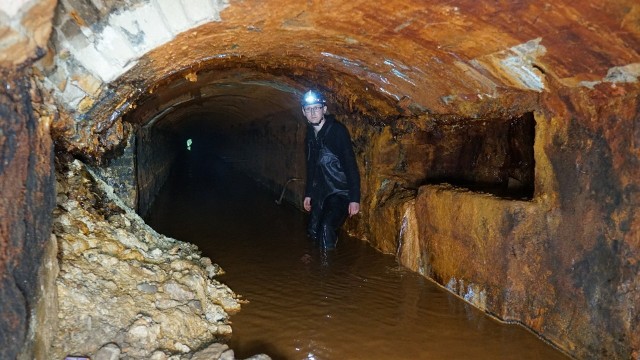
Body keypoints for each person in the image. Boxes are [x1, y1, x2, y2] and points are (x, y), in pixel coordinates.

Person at [301, 89, 360, 249]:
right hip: (322, 192)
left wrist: (354, 198)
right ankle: (315, 266)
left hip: (341, 192)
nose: (313, 112)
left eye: (316, 108)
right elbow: (311, 166)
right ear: (304, 112)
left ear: (324, 109)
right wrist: (308, 194)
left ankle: (327, 270)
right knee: (313, 230)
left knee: (326, 228)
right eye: (308, 109)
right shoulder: (310, 136)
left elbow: (350, 165)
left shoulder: (337, 131)